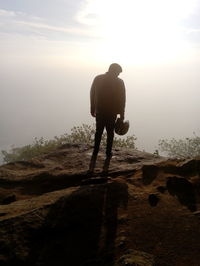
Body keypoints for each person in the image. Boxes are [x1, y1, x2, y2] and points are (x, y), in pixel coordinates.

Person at [89, 63, 126, 173]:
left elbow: (92, 94)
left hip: (101, 111)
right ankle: (108, 153)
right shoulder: (119, 82)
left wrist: (92, 108)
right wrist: (122, 115)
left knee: (99, 132)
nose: (118, 74)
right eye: (118, 72)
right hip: (111, 112)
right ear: (113, 71)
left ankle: (96, 152)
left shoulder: (98, 78)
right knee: (109, 133)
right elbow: (122, 99)